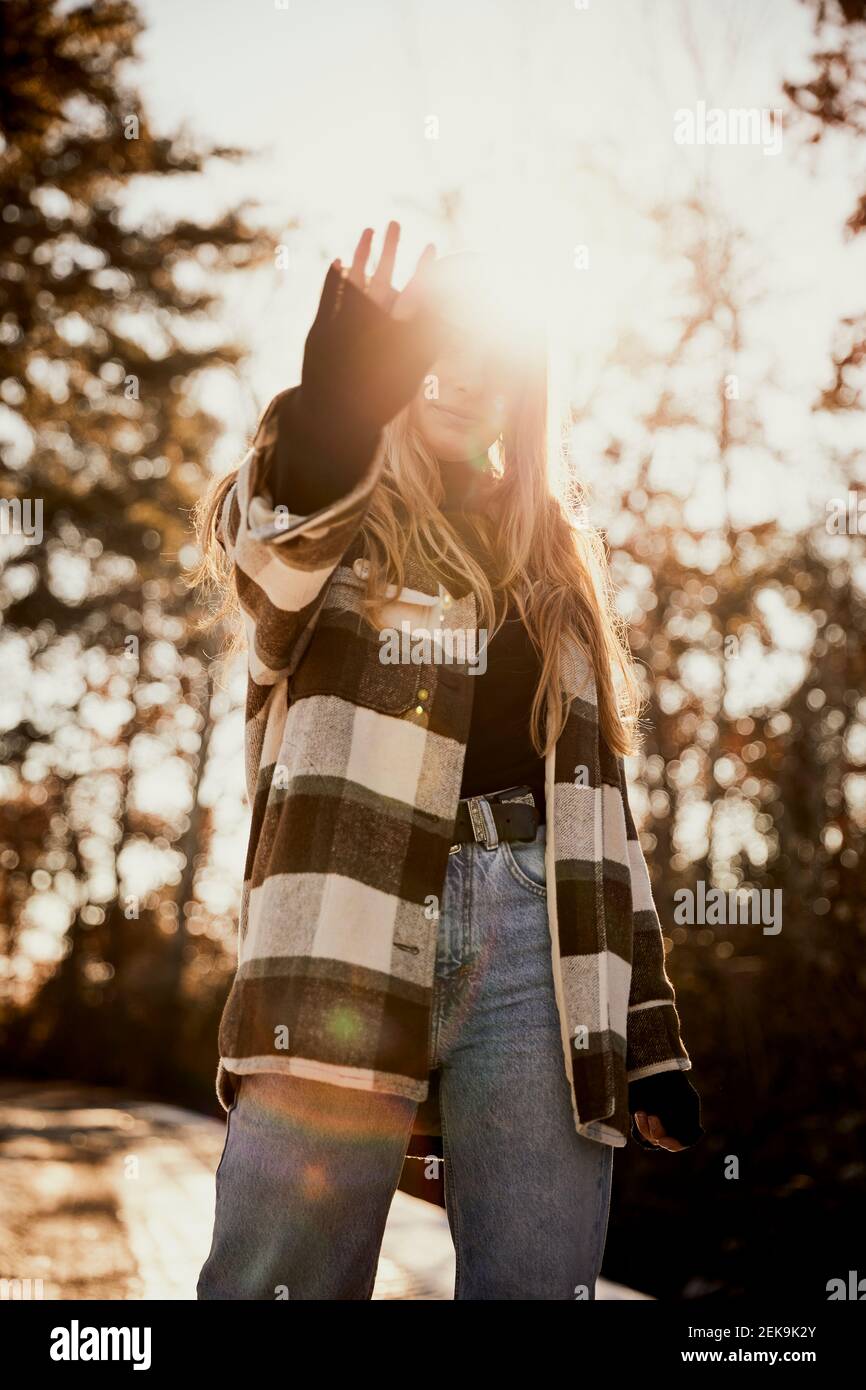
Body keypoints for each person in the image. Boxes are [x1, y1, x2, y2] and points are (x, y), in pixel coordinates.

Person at [193, 221, 704, 1301]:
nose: (461, 376)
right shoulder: (332, 517)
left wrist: (647, 1031)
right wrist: (336, 404)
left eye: (492, 357)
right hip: (342, 922)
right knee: (277, 1279)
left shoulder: (553, 556)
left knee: (536, 1285)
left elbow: (597, 815)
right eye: (435, 346)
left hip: (539, 946)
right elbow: (271, 547)